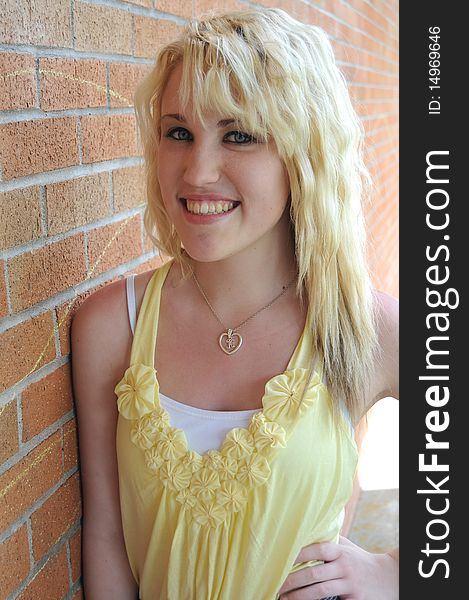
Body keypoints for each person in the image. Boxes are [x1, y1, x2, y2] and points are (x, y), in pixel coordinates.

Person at [71, 7, 399, 600]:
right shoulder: (110, 326)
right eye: (179, 132)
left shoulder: (365, 327)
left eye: (239, 135)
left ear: (305, 153)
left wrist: (395, 572)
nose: (198, 171)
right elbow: (107, 536)